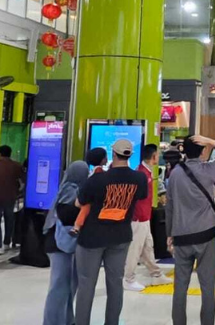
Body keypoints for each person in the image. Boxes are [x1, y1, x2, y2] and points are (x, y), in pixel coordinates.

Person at [74, 139, 148, 325]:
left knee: (86, 285)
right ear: (129, 155)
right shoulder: (139, 179)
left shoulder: (97, 180)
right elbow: (141, 196)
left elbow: (80, 201)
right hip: (120, 236)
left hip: (92, 238)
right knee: (116, 284)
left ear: (113, 154)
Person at [166, 135, 215, 325]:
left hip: (181, 235)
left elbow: (170, 207)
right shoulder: (208, 170)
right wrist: (211, 141)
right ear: (203, 151)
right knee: (207, 286)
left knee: (180, 287)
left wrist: (169, 234)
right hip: (207, 234)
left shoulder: (175, 174)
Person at [42, 161, 89, 325]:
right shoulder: (70, 190)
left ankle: (67, 320)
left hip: (61, 242)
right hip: (59, 243)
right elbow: (66, 214)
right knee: (59, 286)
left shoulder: (68, 187)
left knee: (68, 286)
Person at [124, 144, 166, 291]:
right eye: (158, 154)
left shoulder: (146, 173)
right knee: (135, 249)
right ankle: (128, 278)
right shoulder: (141, 174)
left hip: (144, 216)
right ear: (153, 156)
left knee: (148, 246)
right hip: (139, 218)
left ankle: (156, 273)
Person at [0, 145, 25, 255]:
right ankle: (7, 242)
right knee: (10, 219)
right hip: (11, 197)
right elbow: (23, 180)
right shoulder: (17, 166)